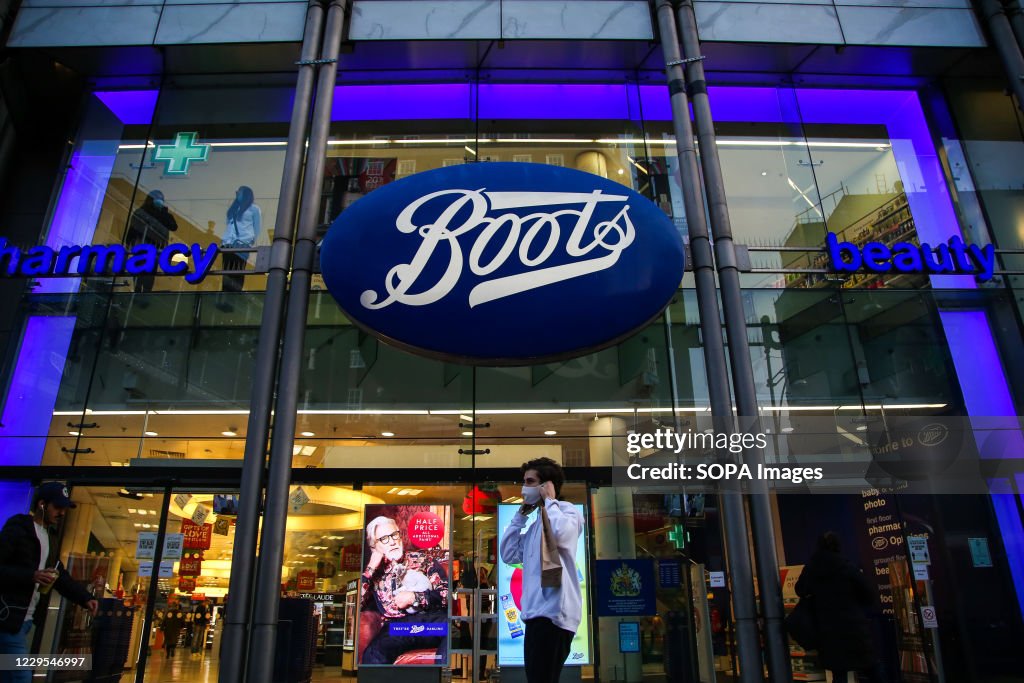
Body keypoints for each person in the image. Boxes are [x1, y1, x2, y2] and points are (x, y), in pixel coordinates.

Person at [0, 483, 99, 683]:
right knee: (21, 676)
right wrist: (31, 575)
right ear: (42, 505)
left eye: (64, 509)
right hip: (8, 618)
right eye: (57, 507)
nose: (61, 513)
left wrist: (86, 598)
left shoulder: (50, 538)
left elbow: (60, 576)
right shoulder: (19, 527)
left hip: (26, 621)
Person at [499, 457, 582, 683]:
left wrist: (551, 501)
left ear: (547, 485)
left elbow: (563, 535)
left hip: (554, 615)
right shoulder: (536, 523)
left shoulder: (566, 512)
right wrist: (520, 517)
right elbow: (508, 553)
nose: (524, 487)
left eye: (530, 481)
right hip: (534, 616)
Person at [795, 532, 886, 683]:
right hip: (853, 626)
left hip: (828, 629)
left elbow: (800, 590)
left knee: (839, 673)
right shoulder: (846, 566)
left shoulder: (812, 568)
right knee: (871, 668)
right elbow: (868, 593)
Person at [359, 516, 448, 664]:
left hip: (430, 624)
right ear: (374, 547)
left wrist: (415, 597)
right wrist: (370, 569)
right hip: (399, 629)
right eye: (384, 539)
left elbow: (445, 595)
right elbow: (356, 605)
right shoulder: (374, 574)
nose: (393, 541)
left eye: (394, 535)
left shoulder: (423, 560)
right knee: (374, 655)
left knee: (451, 629)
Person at [125, 189, 178, 293]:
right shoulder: (142, 212)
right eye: (157, 199)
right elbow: (133, 228)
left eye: (161, 199)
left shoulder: (163, 214)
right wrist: (128, 242)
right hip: (142, 245)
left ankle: (146, 291)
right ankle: (138, 289)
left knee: (150, 270)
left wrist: (163, 212)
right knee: (140, 268)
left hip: (156, 247)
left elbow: (173, 226)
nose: (159, 201)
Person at [221, 185, 261, 294]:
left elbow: (257, 228)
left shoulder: (254, 209)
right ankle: (225, 293)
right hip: (228, 244)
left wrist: (249, 240)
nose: (237, 192)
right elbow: (229, 225)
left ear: (246, 194)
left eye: (239, 191)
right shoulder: (234, 208)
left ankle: (235, 292)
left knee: (238, 268)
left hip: (242, 244)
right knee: (227, 269)